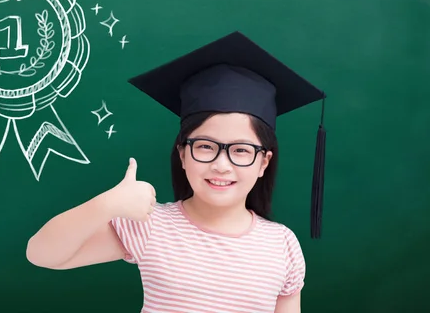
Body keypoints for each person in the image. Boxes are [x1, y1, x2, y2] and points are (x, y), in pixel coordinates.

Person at [26, 31, 327, 313]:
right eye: (206, 146)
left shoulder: (281, 244)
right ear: (183, 154)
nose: (222, 165)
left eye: (241, 151)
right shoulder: (151, 226)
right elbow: (42, 254)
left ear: (263, 163)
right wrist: (107, 205)